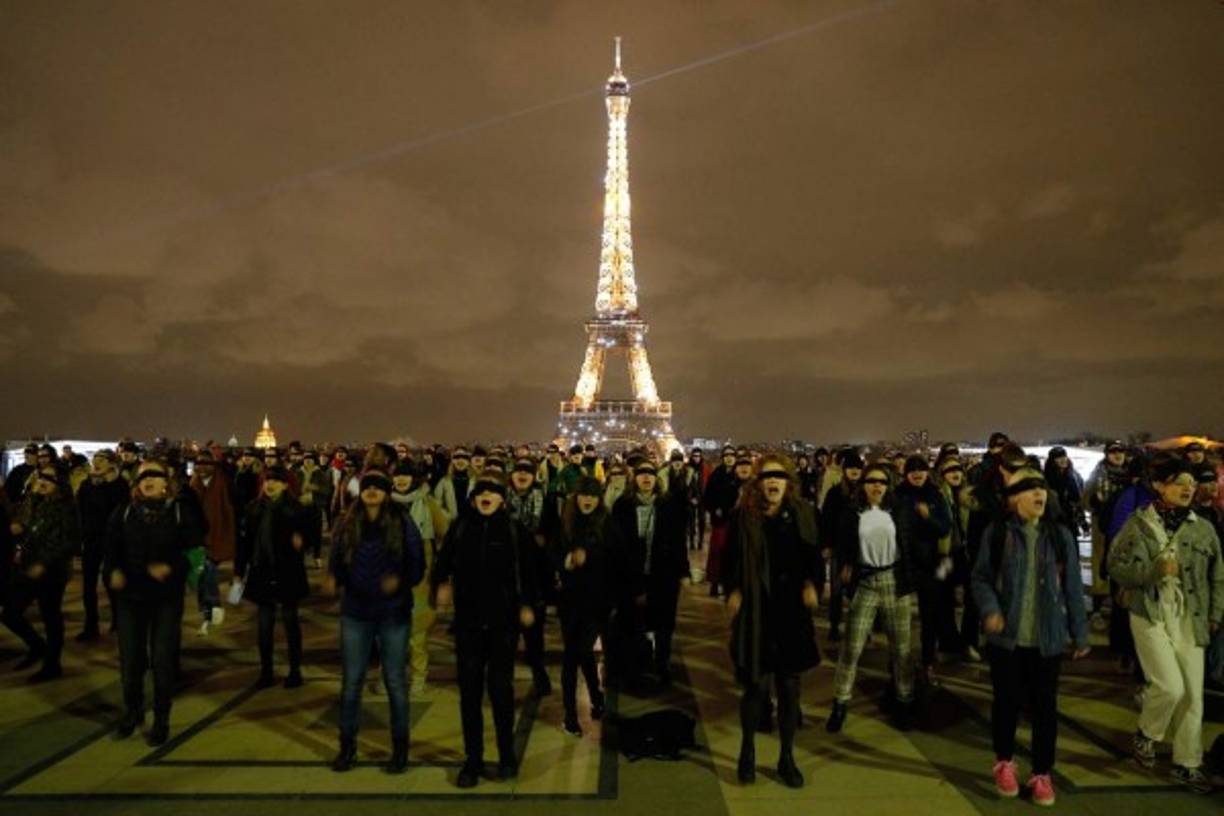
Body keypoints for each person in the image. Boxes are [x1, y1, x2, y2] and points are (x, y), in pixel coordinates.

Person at [972, 467, 1090, 807]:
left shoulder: (1059, 535)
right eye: (1030, 488)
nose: (1039, 493)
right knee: (1006, 703)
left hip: (1047, 639)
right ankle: (1004, 762)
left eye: (1042, 487)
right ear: (1013, 499)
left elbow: (1072, 587)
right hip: (1007, 639)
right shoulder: (998, 533)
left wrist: (1080, 634)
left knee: (1045, 709)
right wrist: (990, 610)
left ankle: (1041, 773)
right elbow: (980, 578)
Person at [1109, 458, 1222, 795]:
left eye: (1191, 483)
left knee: (1193, 696)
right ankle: (1147, 733)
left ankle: (1187, 763)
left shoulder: (1203, 527)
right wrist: (1152, 572)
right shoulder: (1138, 524)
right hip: (1150, 611)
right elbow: (1115, 566)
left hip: (1191, 615)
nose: (1188, 488)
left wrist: (1216, 614)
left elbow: (1218, 575)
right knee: (1170, 686)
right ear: (1159, 485)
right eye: (1179, 482)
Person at [432, 472, 540, 788]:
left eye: (493, 491)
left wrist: (527, 604)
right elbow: (443, 562)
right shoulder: (461, 527)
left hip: (503, 622)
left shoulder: (514, 529)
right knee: (469, 693)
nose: (486, 496)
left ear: (502, 499)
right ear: (473, 498)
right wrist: (441, 585)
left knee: (501, 690)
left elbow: (531, 570)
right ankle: (473, 759)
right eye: (481, 491)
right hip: (468, 622)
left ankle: (506, 755)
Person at [724, 455, 820, 788]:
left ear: (788, 482)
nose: (773, 481)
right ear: (758, 483)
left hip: (791, 611)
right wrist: (734, 590)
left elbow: (813, 558)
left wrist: (812, 584)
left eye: (779, 475)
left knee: (790, 689)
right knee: (756, 686)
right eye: (767, 476)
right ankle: (747, 750)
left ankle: (787, 757)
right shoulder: (744, 517)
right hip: (758, 611)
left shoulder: (803, 514)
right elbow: (730, 559)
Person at [326, 468, 425, 774]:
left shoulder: (401, 521)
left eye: (378, 487)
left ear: (386, 492)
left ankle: (400, 748)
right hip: (356, 611)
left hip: (393, 612)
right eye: (368, 486)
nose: (372, 491)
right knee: (351, 682)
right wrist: (335, 580)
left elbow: (417, 563)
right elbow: (336, 561)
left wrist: (401, 581)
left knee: (395, 681)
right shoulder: (347, 522)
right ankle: (347, 746)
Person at [105, 460, 206, 745]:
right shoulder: (124, 512)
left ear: (166, 482)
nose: (147, 480)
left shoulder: (180, 512)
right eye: (142, 476)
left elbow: (195, 552)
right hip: (130, 596)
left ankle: (162, 718)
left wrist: (171, 568)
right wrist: (112, 572)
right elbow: (110, 549)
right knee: (131, 660)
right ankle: (132, 711)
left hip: (165, 597)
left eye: (154, 475)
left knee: (162, 659)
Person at [827, 465, 917, 733]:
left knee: (901, 650)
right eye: (871, 481)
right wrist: (846, 564)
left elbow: (910, 544)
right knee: (852, 647)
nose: (877, 486)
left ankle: (905, 700)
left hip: (894, 581)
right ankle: (840, 702)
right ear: (863, 485)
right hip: (866, 582)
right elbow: (843, 543)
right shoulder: (852, 513)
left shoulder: (898, 511)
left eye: (882, 481)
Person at [610, 460, 691, 687]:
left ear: (657, 478)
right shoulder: (623, 505)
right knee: (633, 622)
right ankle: (635, 665)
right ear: (634, 478)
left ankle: (662, 664)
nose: (646, 477)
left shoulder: (669, 504)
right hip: (632, 574)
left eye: (650, 473)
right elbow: (616, 544)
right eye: (642, 473)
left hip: (662, 574)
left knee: (663, 623)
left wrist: (683, 571)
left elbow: (678, 541)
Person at [236, 466, 309, 689]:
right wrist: (239, 572)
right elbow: (244, 543)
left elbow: (310, 534)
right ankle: (266, 671)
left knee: (290, 622)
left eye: (276, 480)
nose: (270, 484)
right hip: (262, 570)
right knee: (264, 626)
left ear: (285, 485)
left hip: (288, 571)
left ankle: (295, 670)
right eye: (267, 480)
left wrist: (302, 540)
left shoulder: (296, 509)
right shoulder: (253, 508)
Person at [2, 467, 78, 681]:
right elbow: (22, 524)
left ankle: (52, 664)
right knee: (10, 614)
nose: (42, 481)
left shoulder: (66, 507)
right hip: (27, 567)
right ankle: (37, 646)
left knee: (51, 617)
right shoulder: (30, 501)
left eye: (49, 478)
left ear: (59, 483)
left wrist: (44, 563)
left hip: (51, 572)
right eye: (40, 477)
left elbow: (71, 542)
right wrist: (18, 527)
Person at [553, 477, 615, 736]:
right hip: (570, 600)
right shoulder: (565, 523)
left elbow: (617, 559)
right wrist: (569, 560)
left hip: (596, 600)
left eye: (593, 495)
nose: (587, 500)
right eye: (583, 495)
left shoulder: (607, 524)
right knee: (578, 653)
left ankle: (583, 705)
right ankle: (578, 709)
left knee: (577, 652)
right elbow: (555, 555)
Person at [389, 460, 448, 697]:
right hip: (389, 570)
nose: (401, 480)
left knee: (417, 630)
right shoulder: (386, 502)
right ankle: (390, 675)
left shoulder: (427, 502)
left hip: (420, 573)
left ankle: (418, 676)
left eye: (406, 475)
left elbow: (445, 531)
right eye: (397, 475)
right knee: (388, 628)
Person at [895, 455, 955, 685]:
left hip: (929, 563)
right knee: (898, 618)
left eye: (921, 469)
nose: (917, 473)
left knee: (929, 616)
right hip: (902, 562)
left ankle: (928, 662)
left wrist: (928, 516)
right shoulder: (897, 495)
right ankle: (898, 664)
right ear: (906, 474)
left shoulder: (935, 495)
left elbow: (945, 528)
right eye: (912, 470)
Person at [505, 457, 552, 696]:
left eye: (527, 471)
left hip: (535, 575)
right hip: (507, 575)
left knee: (534, 632)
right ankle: (503, 681)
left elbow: (553, 533)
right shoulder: (500, 500)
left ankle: (538, 671)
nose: (522, 474)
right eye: (518, 470)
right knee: (506, 634)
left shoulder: (545, 500)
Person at [75, 450, 130, 640]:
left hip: (112, 541)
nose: (97, 463)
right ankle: (91, 626)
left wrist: (109, 483)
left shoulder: (120, 485)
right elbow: (81, 511)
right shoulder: (86, 485)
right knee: (88, 586)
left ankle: (118, 620)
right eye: (95, 459)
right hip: (91, 540)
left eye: (102, 459)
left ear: (112, 463)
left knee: (111, 581)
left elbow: (120, 510)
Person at [189, 449, 235, 636]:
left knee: (207, 569)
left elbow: (230, 510)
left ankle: (213, 606)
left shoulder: (224, 483)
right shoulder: (193, 484)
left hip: (218, 535)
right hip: (198, 538)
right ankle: (208, 613)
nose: (201, 467)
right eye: (198, 463)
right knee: (203, 574)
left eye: (205, 463)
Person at [820, 451, 863, 643]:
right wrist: (826, 544)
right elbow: (826, 520)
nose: (854, 471)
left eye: (857, 468)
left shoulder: (865, 492)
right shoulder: (835, 492)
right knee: (836, 590)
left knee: (859, 591)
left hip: (861, 548)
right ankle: (834, 625)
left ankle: (860, 627)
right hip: (839, 547)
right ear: (844, 470)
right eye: (851, 468)